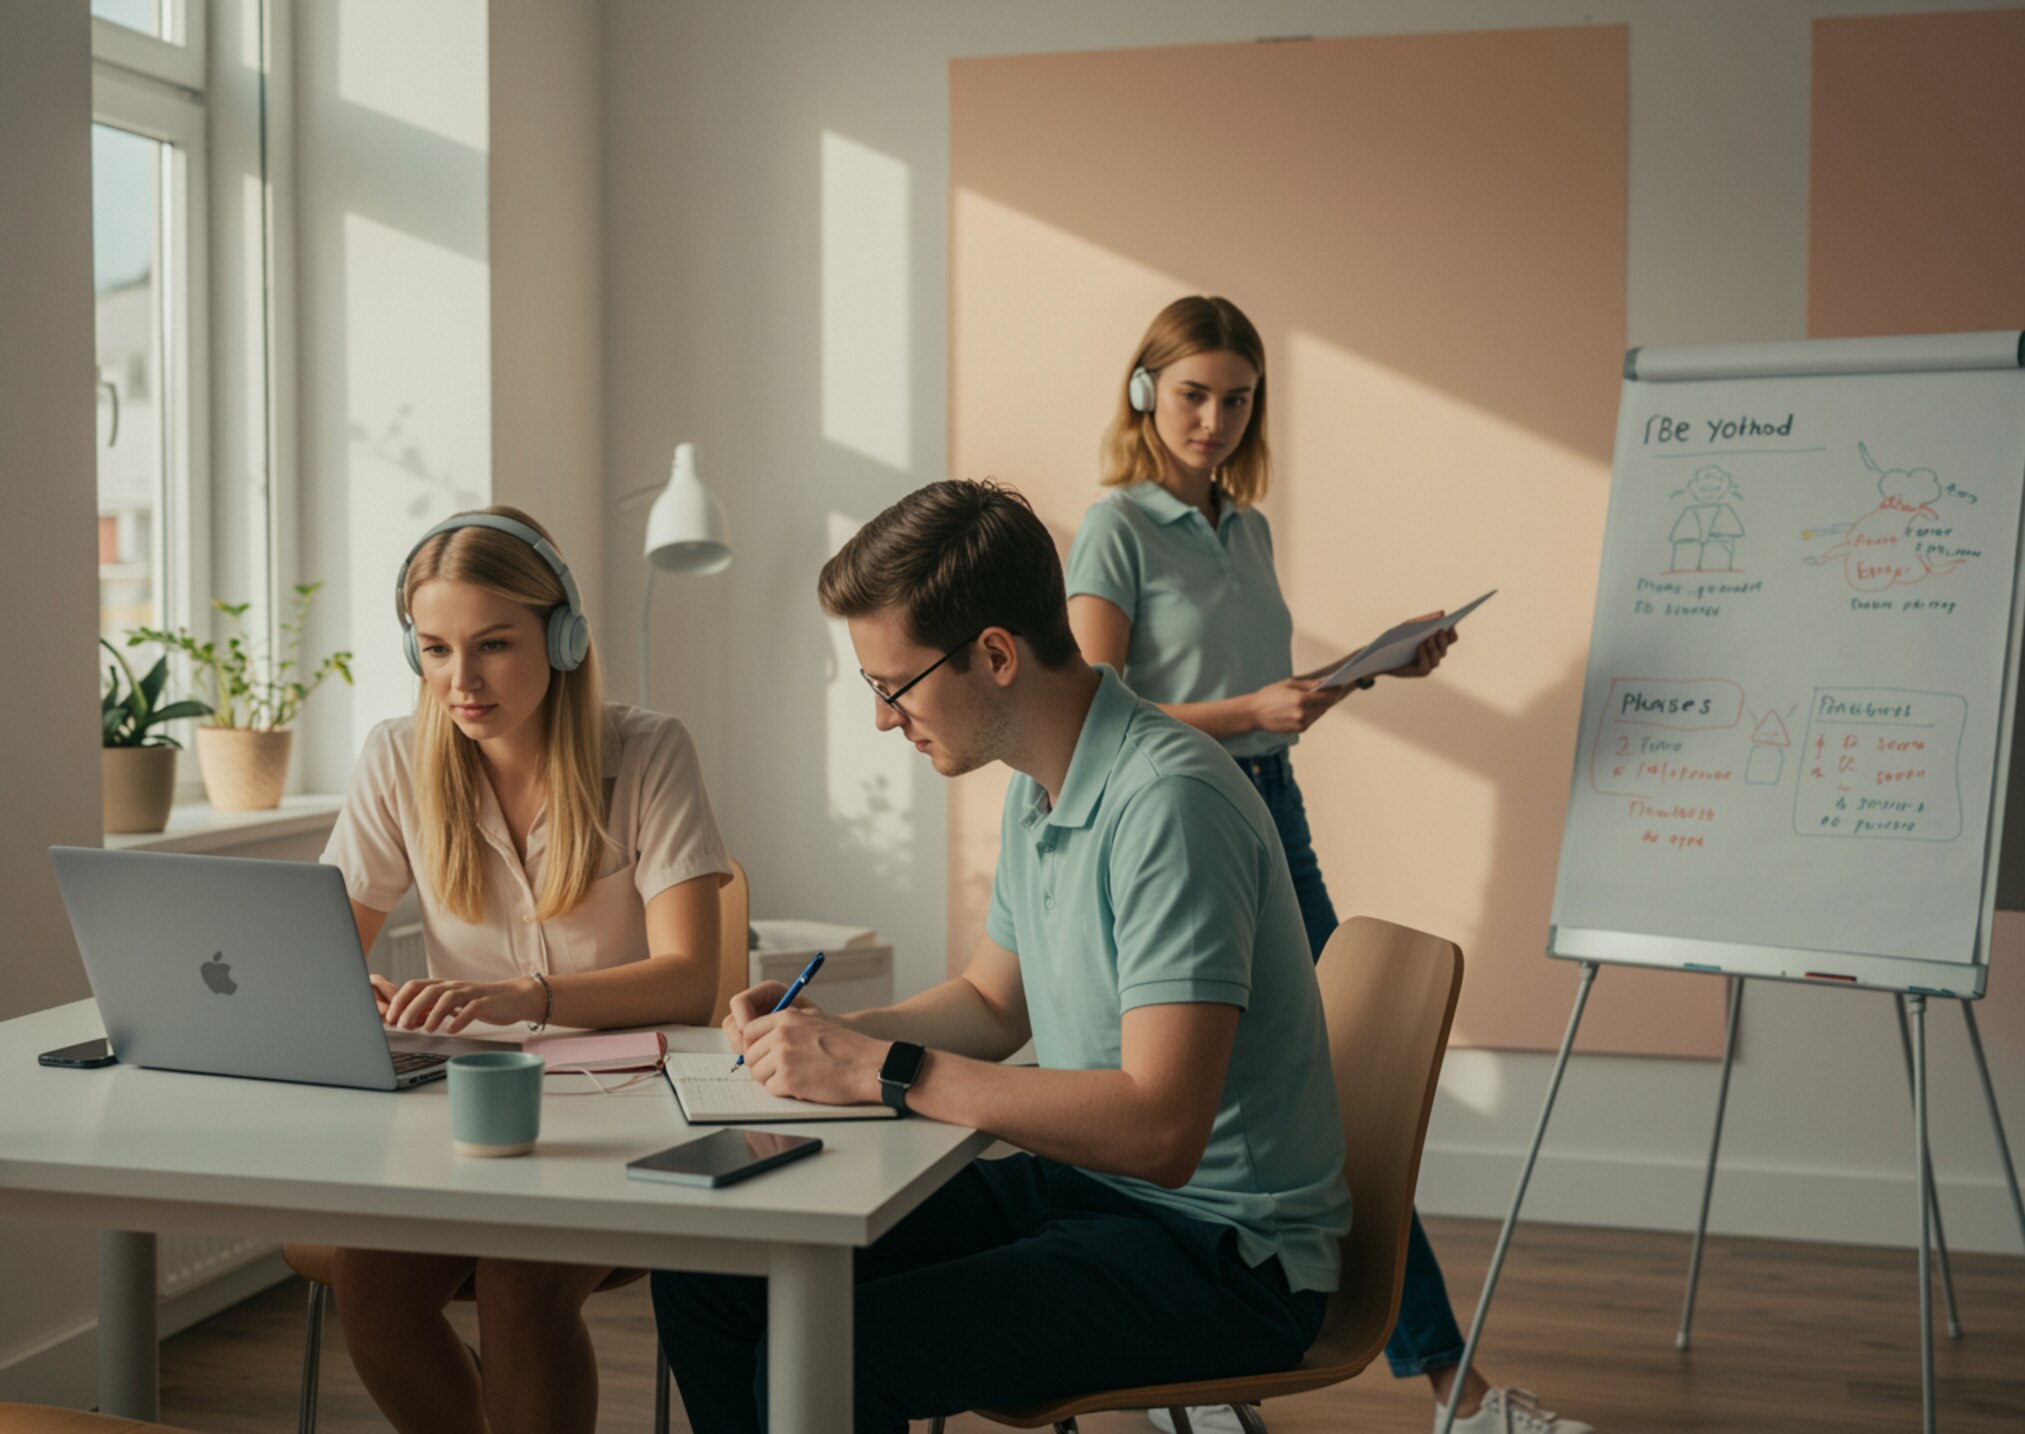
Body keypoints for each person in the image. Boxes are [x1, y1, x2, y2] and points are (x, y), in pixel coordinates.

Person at [651, 479, 1349, 1434]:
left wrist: (888, 1069)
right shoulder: (1042, 784)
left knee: (836, 1353)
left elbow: (1162, 1131)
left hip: (1221, 1253)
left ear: (994, 654)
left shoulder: (1169, 804)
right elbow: (991, 1001)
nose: (885, 719)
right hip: (1091, 1192)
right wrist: (823, 1035)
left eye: (893, 687)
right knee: (711, 1273)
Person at [1066, 296, 1590, 1434]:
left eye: (1236, 397)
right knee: (1225, 1108)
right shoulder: (1113, 530)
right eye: (1193, 393)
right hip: (1173, 828)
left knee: (1333, 1113)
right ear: (1146, 392)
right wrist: (1255, 706)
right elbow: (1099, 715)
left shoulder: (1243, 528)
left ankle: (1442, 1390)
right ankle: (1261, 1381)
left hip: (1268, 810)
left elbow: (1263, 706)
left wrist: (1360, 674)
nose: (1213, 418)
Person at [320, 506, 730, 1434]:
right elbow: (321, 956)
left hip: (626, 1110)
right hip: (460, 1111)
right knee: (372, 1291)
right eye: (433, 649)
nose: (459, 682)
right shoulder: (396, 757)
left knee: (518, 1282)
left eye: (494, 645)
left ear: (565, 636)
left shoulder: (649, 751)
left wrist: (526, 997)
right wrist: (362, 997)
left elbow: (688, 981)